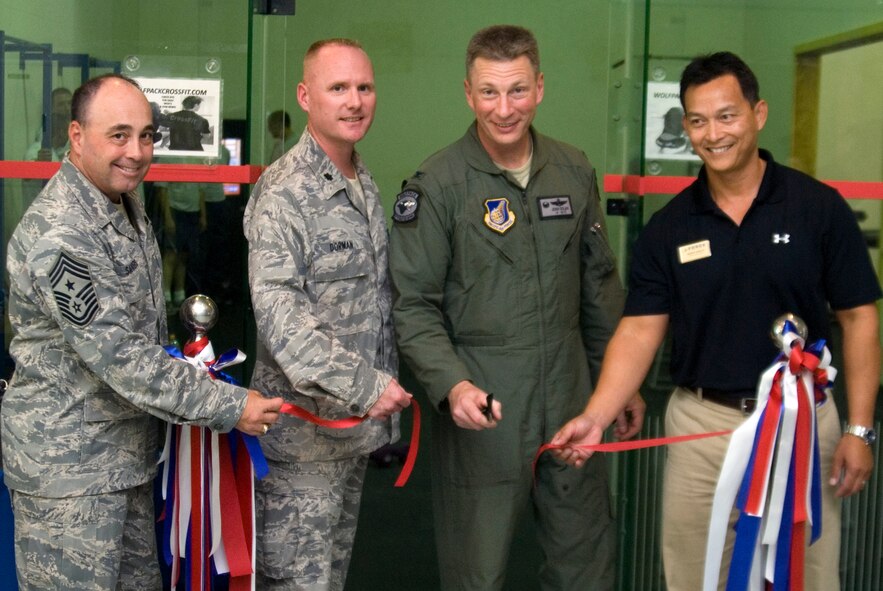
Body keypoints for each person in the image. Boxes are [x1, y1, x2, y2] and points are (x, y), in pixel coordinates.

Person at [551, 51, 881, 591]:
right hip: (701, 430)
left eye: (727, 116)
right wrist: (596, 415)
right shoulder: (669, 226)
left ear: (759, 114)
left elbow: (859, 317)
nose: (713, 133)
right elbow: (639, 330)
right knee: (695, 576)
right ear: (685, 128)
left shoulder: (818, 208)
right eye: (698, 121)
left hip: (803, 424)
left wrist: (860, 428)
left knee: (808, 577)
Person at [0, 73, 283, 590]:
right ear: (77, 136)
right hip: (72, 478)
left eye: (147, 135)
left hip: (123, 463)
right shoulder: (62, 234)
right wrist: (229, 405)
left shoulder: (120, 203)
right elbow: (123, 358)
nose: (136, 151)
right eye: (118, 135)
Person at [388, 25, 643, 591]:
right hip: (484, 409)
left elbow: (600, 288)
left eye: (518, 91)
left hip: (573, 397)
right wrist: (452, 385)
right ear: (467, 92)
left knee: (585, 566)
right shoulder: (438, 185)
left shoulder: (573, 171)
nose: (504, 110)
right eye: (489, 92)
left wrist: (617, 386)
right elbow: (415, 307)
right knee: (476, 572)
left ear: (540, 87)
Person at [243, 39, 412, 591]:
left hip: (352, 436)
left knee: (329, 580)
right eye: (338, 88)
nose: (355, 101)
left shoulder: (362, 182)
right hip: (301, 446)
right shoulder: (285, 192)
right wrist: (367, 386)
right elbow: (281, 316)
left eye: (364, 87)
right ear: (306, 96)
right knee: (295, 584)